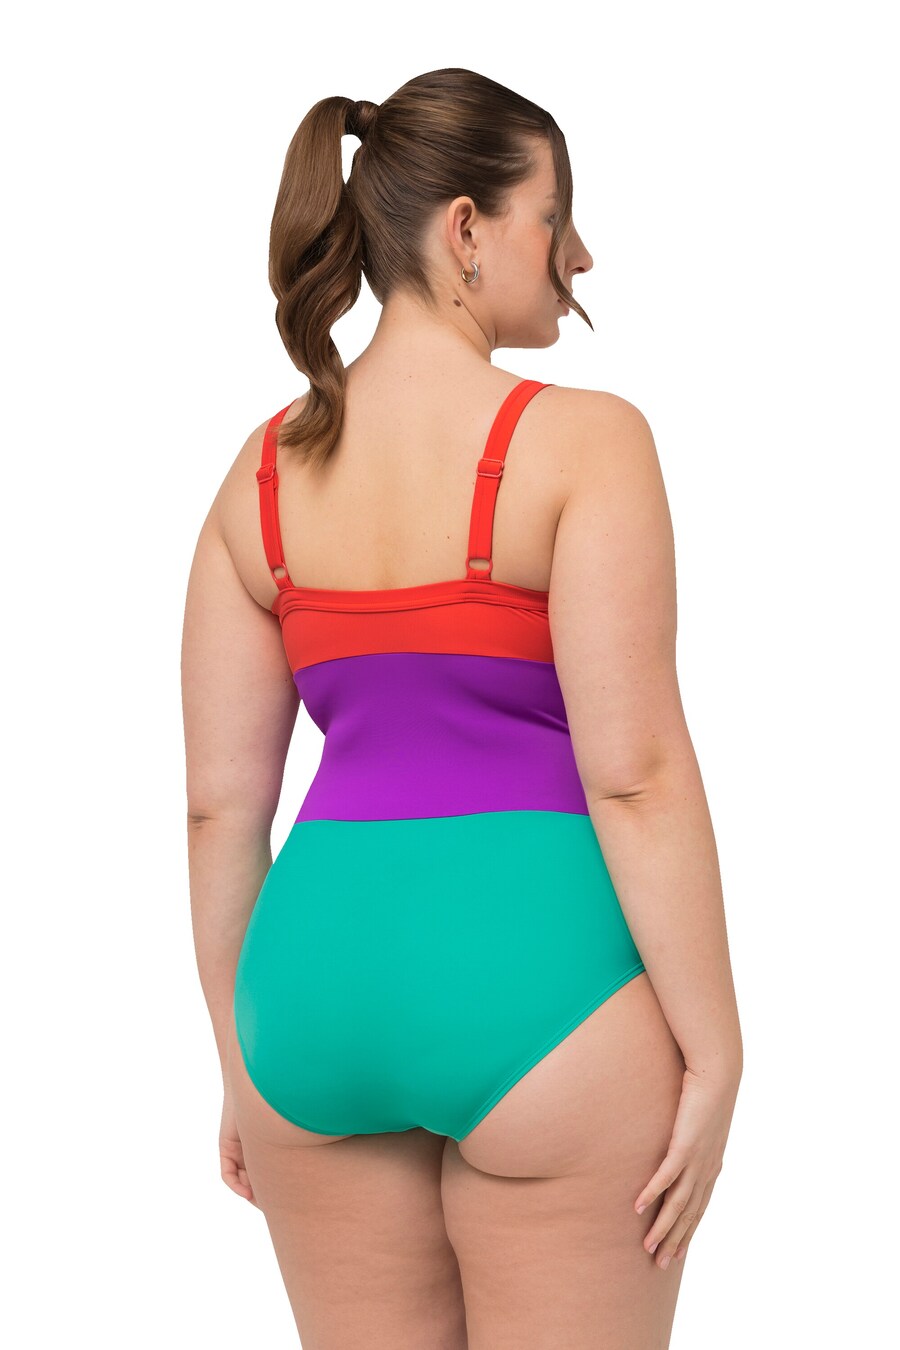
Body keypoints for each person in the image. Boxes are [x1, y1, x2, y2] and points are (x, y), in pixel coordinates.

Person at [181, 67, 743, 1349]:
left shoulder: (260, 475)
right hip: (548, 995)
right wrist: (716, 1049)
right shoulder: (587, 442)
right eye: (557, 215)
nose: (579, 254)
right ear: (468, 228)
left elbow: (219, 810)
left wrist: (241, 1055)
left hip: (309, 1004)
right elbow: (636, 773)